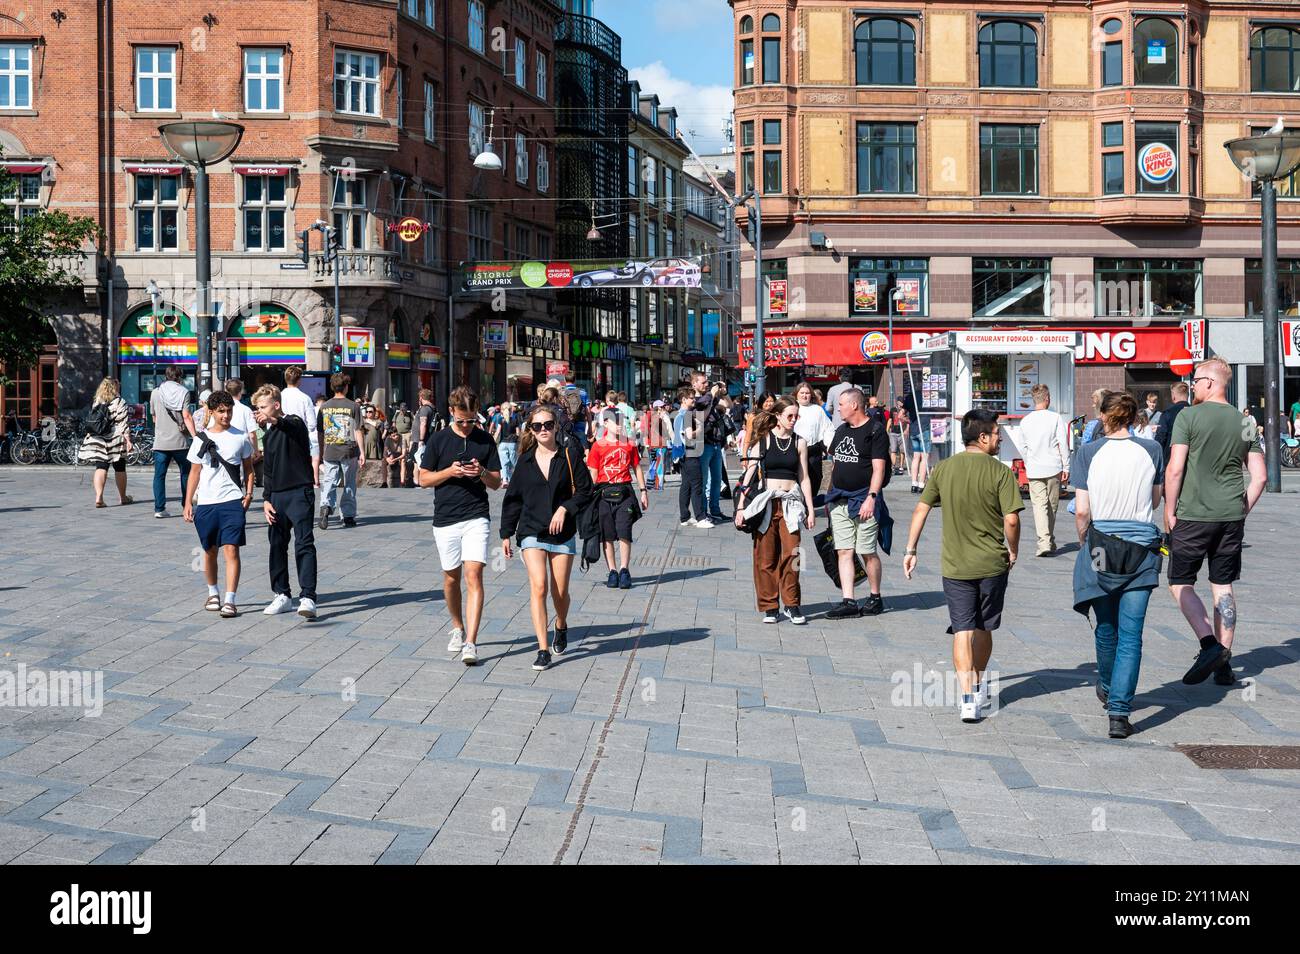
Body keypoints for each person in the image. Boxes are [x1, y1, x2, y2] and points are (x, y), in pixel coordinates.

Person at [902, 409, 1023, 723]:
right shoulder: (1000, 473)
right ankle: (979, 684)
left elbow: (921, 509)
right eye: (997, 434)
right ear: (982, 438)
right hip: (992, 563)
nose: (1000, 439)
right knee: (984, 627)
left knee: (962, 630)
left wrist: (910, 549)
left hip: (955, 565)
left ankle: (967, 699)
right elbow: (1011, 519)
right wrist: (1014, 549)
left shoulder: (944, 468)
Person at [1164, 358, 1268, 687]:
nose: (1192, 385)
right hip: (1230, 517)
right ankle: (1225, 660)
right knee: (1222, 586)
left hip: (1193, 515)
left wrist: (1169, 509)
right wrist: (1243, 509)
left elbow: (1175, 468)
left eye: (1195, 380)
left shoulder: (1188, 417)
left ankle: (1209, 645)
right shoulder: (1245, 422)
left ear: (1210, 382)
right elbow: (1260, 476)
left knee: (1180, 582)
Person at [1070, 392, 1165, 739]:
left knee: (1106, 626)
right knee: (1132, 634)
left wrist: (1084, 538)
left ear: (1104, 416)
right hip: (1141, 548)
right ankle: (1119, 713)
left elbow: (1082, 510)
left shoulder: (1088, 453)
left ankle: (1108, 686)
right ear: (1133, 417)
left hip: (1101, 547)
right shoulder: (1151, 450)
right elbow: (1155, 498)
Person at [500, 404, 593, 671]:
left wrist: (565, 508)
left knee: (559, 591)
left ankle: (561, 624)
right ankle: (543, 649)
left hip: (562, 534)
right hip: (531, 530)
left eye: (548, 425)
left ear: (556, 427)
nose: (543, 430)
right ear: (531, 429)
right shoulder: (525, 461)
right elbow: (513, 499)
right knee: (539, 586)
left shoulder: (569, 455)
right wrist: (506, 533)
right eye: (537, 426)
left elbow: (586, 490)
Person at [418, 386, 502, 666]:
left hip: (476, 515)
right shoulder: (439, 440)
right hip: (445, 518)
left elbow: (497, 482)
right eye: (461, 420)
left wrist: (480, 472)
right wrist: (449, 472)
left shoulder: (485, 440)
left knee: (474, 574)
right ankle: (457, 626)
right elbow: (423, 479)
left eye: (472, 421)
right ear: (451, 412)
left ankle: (471, 643)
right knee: (451, 578)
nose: (466, 426)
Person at [735, 398, 816, 624]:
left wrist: (810, 509)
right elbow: (749, 474)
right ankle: (770, 606)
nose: (793, 420)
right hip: (767, 504)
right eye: (789, 415)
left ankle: (791, 604)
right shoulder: (764, 441)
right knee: (765, 557)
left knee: (794, 554)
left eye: (796, 416)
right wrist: (741, 506)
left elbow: (804, 477)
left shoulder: (799, 442)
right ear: (778, 416)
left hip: (790, 504)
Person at [182, 391, 254, 618]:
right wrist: (187, 502)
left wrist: (249, 493)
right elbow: (194, 473)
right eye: (221, 411)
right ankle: (213, 592)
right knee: (209, 551)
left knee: (231, 549)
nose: (226, 415)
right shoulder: (200, 440)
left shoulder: (240, 436)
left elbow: (249, 469)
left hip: (232, 500)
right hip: (206, 502)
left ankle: (230, 599)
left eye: (229, 410)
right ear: (211, 412)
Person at [824, 388, 891, 619]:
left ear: (854, 405)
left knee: (866, 551)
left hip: (864, 500)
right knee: (844, 550)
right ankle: (849, 600)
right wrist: (829, 495)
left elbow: (878, 469)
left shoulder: (875, 431)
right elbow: (835, 465)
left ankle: (875, 597)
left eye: (841, 404)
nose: (837, 407)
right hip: (840, 500)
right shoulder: (841, 430)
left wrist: (871, 498)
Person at [252, 385, 318, 619]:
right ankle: (282, 594)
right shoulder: (268, 436)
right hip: (277, 496)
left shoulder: (294, 423)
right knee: (277, 546)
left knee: (304, 543)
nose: (258, 411)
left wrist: (274, 419)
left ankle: (308, 596)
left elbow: (290, 425)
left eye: (262, 407)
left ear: (276, 406)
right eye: (256, 408)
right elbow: (267, 471)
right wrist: (266, 499)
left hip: (300, 493)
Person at [588, 409, 649, 589]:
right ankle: (612, 571)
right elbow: (593, 472)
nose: (620, 424)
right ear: (606, 423)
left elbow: (637, 467)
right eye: (616, 421)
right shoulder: (598, 446)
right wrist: (588, 498)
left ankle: (624, 569)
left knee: (624, 531)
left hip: (625, 491)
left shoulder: (629, 444)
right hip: (603, 492)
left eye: (622, 420)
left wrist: (643, 491)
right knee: (606, 535)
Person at [1019, 383, 1070, 557]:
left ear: (1034, 400)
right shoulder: (1055, 418)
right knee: (1052, 506)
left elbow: (1023, 447)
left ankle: (1045, 541)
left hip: (1034, 469)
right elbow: (1063, 443)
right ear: (1047, 399)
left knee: (1039, 506)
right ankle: (1046, 540)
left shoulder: (1025, 421)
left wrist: (1028, 462)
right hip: (1053, 467)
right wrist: (1066, 466)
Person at [316, 373, 365, 529]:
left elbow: (320, 432)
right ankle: (348, 516)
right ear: (346, 387)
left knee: (329, 481)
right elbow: (358, 430)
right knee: (349, 483)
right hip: (348, 450)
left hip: (330, 450)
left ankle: (325, 507)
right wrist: (362, 452)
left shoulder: (324, 407)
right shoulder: (354, 406)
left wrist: (322, 450)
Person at [149, 365, 196, 517]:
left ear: (166, 375)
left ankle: (159, 509)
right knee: (186, 473)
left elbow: (154, 417)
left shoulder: (155, 392)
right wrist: (195, 436)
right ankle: (186, 505)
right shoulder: (184, 392)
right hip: (179, 441)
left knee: (159, 476)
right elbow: (187, 416)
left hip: (161, 442)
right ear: (180, 376)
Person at [80, 378, 134, 508]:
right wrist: (128, 440)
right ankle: (123, 497)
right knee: (120, 468)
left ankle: (99, 497)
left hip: (98, 438)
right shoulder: (120, 402)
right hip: (115, 438)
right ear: (115, 387)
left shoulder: (97, 401)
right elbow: (123, 424)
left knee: (101, 467)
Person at [690, 372, 732, 523]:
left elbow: (729, 405)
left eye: (707, 382)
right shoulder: (695, 400)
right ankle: (703, 513)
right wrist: (713, 396)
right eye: (702, 382)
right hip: (704, 445)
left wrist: (724, 392)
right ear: (694, 384)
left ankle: (715, 510)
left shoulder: (710, 398)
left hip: (716, 444)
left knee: (717, 480)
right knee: (704, 480)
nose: (706, 385)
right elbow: (701, 416)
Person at [792, 382, 834, 503]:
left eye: (807, 393)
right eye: (802, 393)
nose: (805, 396)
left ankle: (808, 503)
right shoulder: (791, 408)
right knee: (797, 480)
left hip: (813, 450)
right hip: (795, 450)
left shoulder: (817, 410)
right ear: (796, 394)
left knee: (815, 478)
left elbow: (828, 428)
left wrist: (830, 446)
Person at [674, 387, 709, 527]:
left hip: (680, 454)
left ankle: (685, 516)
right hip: (690, 453)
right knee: (697, 485)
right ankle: (701, 518)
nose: (694, 400)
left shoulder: (677, 415)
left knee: (686, 485)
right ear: (683, 400)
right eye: (691, 398)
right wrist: (700, 428)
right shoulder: (687, 415)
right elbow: (689, 435)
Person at [281, 367, 321, 486]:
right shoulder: (305, 398)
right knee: (300, 467)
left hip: (281, 435)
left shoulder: (279, 396)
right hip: (299, 437)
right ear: (299, 380)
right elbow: (312, 423)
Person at [1155, 381, 1189, 461]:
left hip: (1171, 458)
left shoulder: (1167, 413)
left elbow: (1161, 438)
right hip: (1192, 460)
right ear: (1188, 395)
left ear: (1173, 396)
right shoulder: (1195, 412)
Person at [641, 400, 669, 491]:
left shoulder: (648, 415)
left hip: (652, 444)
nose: (663, 409)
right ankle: (658, 485)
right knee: (659, 465)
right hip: (659, 444)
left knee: (653, 464)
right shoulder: (656, 417)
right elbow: (663, 430)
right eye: (661, 407)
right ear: (657, 408)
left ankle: (649, 482)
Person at [495, 401, 522, 485]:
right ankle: (517, 478)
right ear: (511, 411)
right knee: (513, 462)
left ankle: (505, 480)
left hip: (503, 443)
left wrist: (493, 440)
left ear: (502, 411)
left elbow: (498, 432)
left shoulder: (500, 420)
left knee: (504, 462)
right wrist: (520, 441)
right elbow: (518, 433)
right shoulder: (515, 420)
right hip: (513, 443)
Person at [390, 401, 415, 487]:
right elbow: (393, 424)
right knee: (400, 449)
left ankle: (405, 461)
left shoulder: (409, 414)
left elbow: (414, 423)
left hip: (407, 434)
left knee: (407, 450)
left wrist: (412, 432)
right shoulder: (396, 414)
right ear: (400, 409)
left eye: (404, 409)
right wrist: (393, 433)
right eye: (402, 409)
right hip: (399, 434)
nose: (403, 411)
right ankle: (401, 459)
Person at [414, 388, 437, 471]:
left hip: (420, 440)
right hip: (427, 439)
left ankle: (418, 482)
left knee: (417, 462)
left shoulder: (425, 409)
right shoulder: (432, 408)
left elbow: (423, 424)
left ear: (421, 397)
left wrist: (421, 440)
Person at [908, 407, 929, 493]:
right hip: (925, 430)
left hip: (914, 430)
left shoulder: (910, 398)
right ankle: (921, 484)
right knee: (924, 458)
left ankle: (914, 484)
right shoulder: (927, 398)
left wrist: (909, 421)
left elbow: (900, 415)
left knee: (916, 457)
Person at [888, 401, 907, 476]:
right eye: (899, 402)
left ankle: (901, 466)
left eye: (902, 402)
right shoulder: (893, 409)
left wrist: (906, 430)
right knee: (893, 450)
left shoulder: (905, 410)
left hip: (902, 433)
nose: (901, 403)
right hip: (893, 433)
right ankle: (893, 466)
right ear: (897, 402)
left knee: (903, 450)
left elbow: (908, 420)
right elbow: (890, 420)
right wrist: (887, 430)